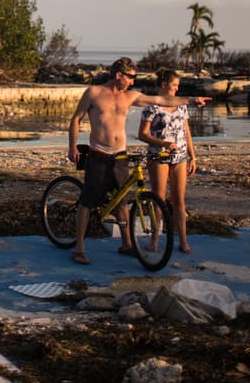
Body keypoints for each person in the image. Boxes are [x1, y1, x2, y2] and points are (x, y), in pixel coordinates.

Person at [66, 57, 205, 265]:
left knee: (122, 201)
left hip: (120, 155)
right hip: (98, 153)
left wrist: (191, 100)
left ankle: (127, 244)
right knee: (87, 201)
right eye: (130, 77)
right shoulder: (93, 93)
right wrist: (72, 146)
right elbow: (76, 119)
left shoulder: (129, 97)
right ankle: (79, 247)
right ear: (118, 75)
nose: (133, 82)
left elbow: (163, 101)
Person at [137, 68, 198, 253]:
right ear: (164, 85)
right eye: (174, 86)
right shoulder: (151, 107)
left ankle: (183, 240)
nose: (176, 89)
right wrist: (162, 143)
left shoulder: (181, 105)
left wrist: (192, 156)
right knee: (159, 199)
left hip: (179, 157)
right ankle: (155, 239)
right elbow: (142, 134)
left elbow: (186, 131)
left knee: (179, 200)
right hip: (158, 156)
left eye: (178, 86)